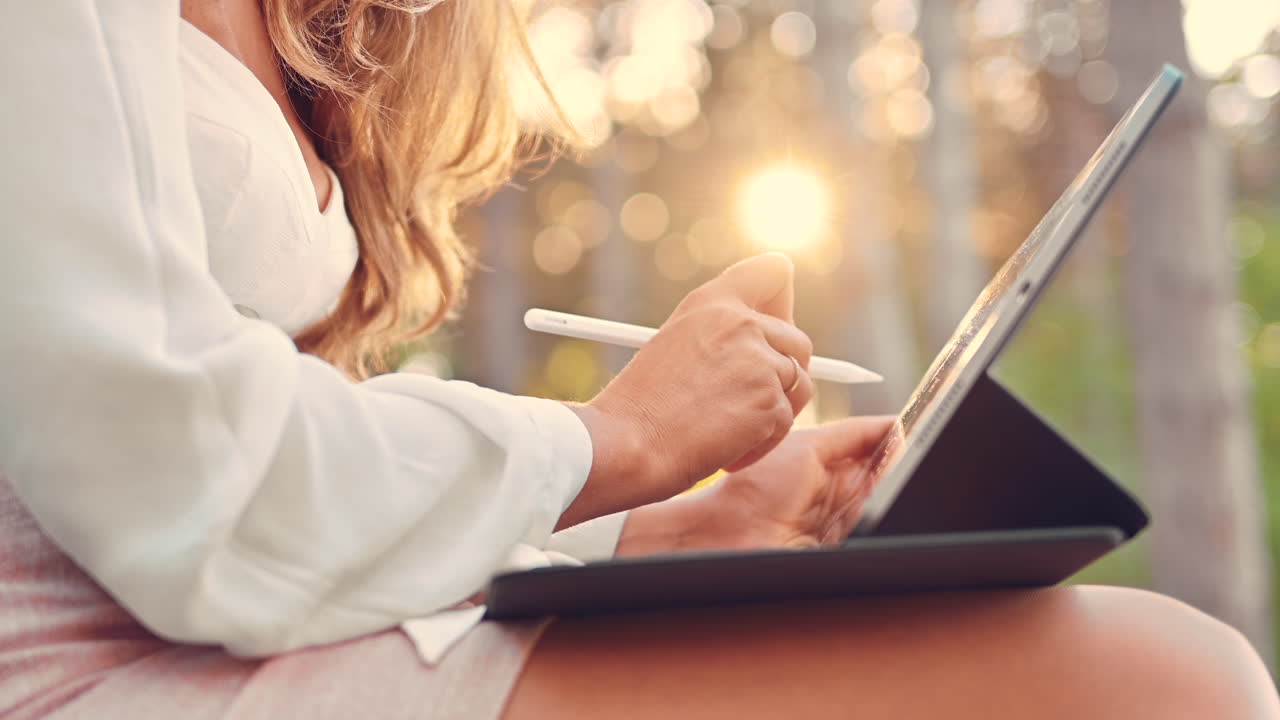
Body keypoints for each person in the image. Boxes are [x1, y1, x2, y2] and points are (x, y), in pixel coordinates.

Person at [0, 2, 1274, 718]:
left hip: (238, 638)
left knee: (1171, 669)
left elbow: (279, 435)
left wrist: (652, 529)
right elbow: (188, 481)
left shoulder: (312, 33)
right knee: (1161, 685)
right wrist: (619, 442)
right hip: (106, 680)